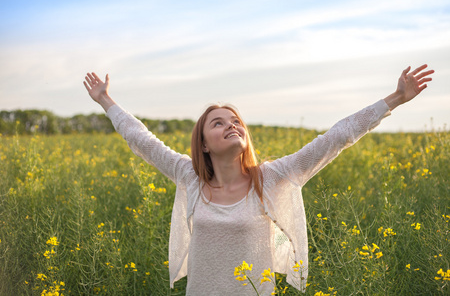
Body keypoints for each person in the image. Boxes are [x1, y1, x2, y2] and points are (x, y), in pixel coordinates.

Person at [83, 64, 434, 295]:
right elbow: (141, 139)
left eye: (236, 121)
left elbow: (336, 137)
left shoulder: (272, 177)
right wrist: (105, 99)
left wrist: (395, 99)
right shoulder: (188, 176)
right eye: (218, 123)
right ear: (203, 144)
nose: (231, 125)